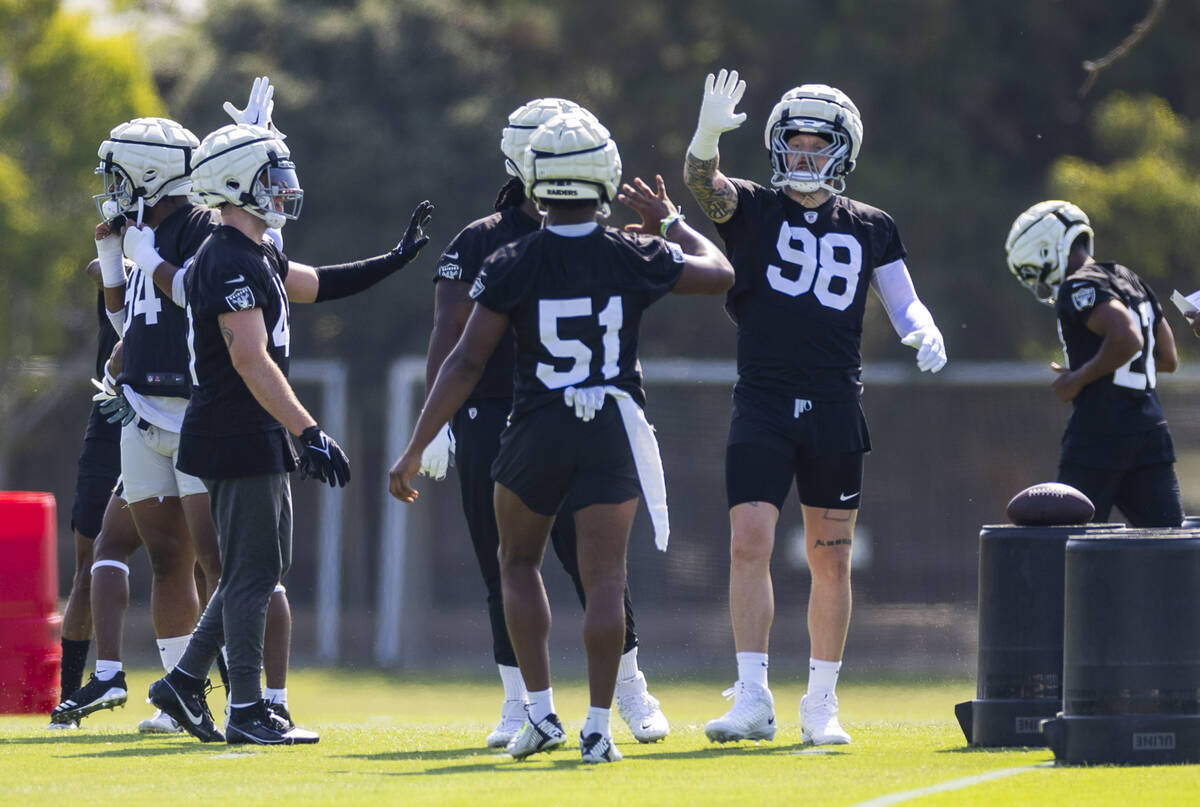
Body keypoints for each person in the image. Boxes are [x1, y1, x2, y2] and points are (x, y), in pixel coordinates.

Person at [390, 111, 734, 764]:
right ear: (604, 177)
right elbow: (718, 270)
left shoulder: (511, 257)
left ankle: (540, 711)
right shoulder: (633, 252)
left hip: (535, 426)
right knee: (605, 577)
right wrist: (670, 222)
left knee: (517, 563)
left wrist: (415, 445)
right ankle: (599, 727)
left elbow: (464, 360)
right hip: (611, 425)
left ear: (536, 182)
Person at [682, 70, 947, 746]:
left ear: (843, 149)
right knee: (749, 542)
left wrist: (924, 325)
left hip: (832, 402)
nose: (800, 156)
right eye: (791, 144)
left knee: (831, 559)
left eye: (814, 144)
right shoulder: (753, 207)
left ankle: (822, 702)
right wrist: (707, 135)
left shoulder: (872, 226)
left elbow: (902, 296)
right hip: (763, 399)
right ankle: (752, 695)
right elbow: (701, 185)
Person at [148, 122, 433, 745]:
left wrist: (395, 259)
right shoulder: (224, 255)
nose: (283, 188)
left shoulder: (258, 250)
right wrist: (307, 430)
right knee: (252, 574)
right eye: (269, 176)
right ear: (232, 183)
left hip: (252, 429)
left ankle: (185, 680)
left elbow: (317, 284)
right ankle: (246, 709)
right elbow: (249, 357)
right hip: (234, 430)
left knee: (257, 567)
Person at [420, 97, 668, 748]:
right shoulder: (482, 238)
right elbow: (449, 338)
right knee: (502, 562)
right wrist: (437, 422)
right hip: (492, 411)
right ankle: (520, 702)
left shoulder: (586, 239)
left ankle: (630, 685)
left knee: (588, 562)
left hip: (546, 412)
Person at [51, 88, 295, 733]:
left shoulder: (204, 230)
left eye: (119, 170)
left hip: (198, 417)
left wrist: (261, 143)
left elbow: (261, 248)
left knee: (229, 564)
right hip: (144, 415)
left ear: (150, 173)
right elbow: (123, 318)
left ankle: (267, 696)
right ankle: (182, 697)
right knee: (166, 560)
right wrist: (113, 262)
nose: (109, 184)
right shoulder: (144, 232)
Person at [1005, 200, 1182, 526]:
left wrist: (1080, 378)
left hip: (1099, 433)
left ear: (1045, 248)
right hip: (1150, 431)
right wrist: (1097, 368)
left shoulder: (1078, 285)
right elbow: (1167, 359)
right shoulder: (1129, 277)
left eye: (1032, 270)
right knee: (1169, 549)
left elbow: (1128, 339)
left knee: (1063, 544)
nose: (1038, 281)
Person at [46, 261, 140, 731]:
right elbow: (97, 268)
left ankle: (194, 697)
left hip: (169, 418)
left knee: (188, 564)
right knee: (88, 566)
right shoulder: (141, 251)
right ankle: (69, 703)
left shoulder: (197, 260)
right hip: (110, 422)